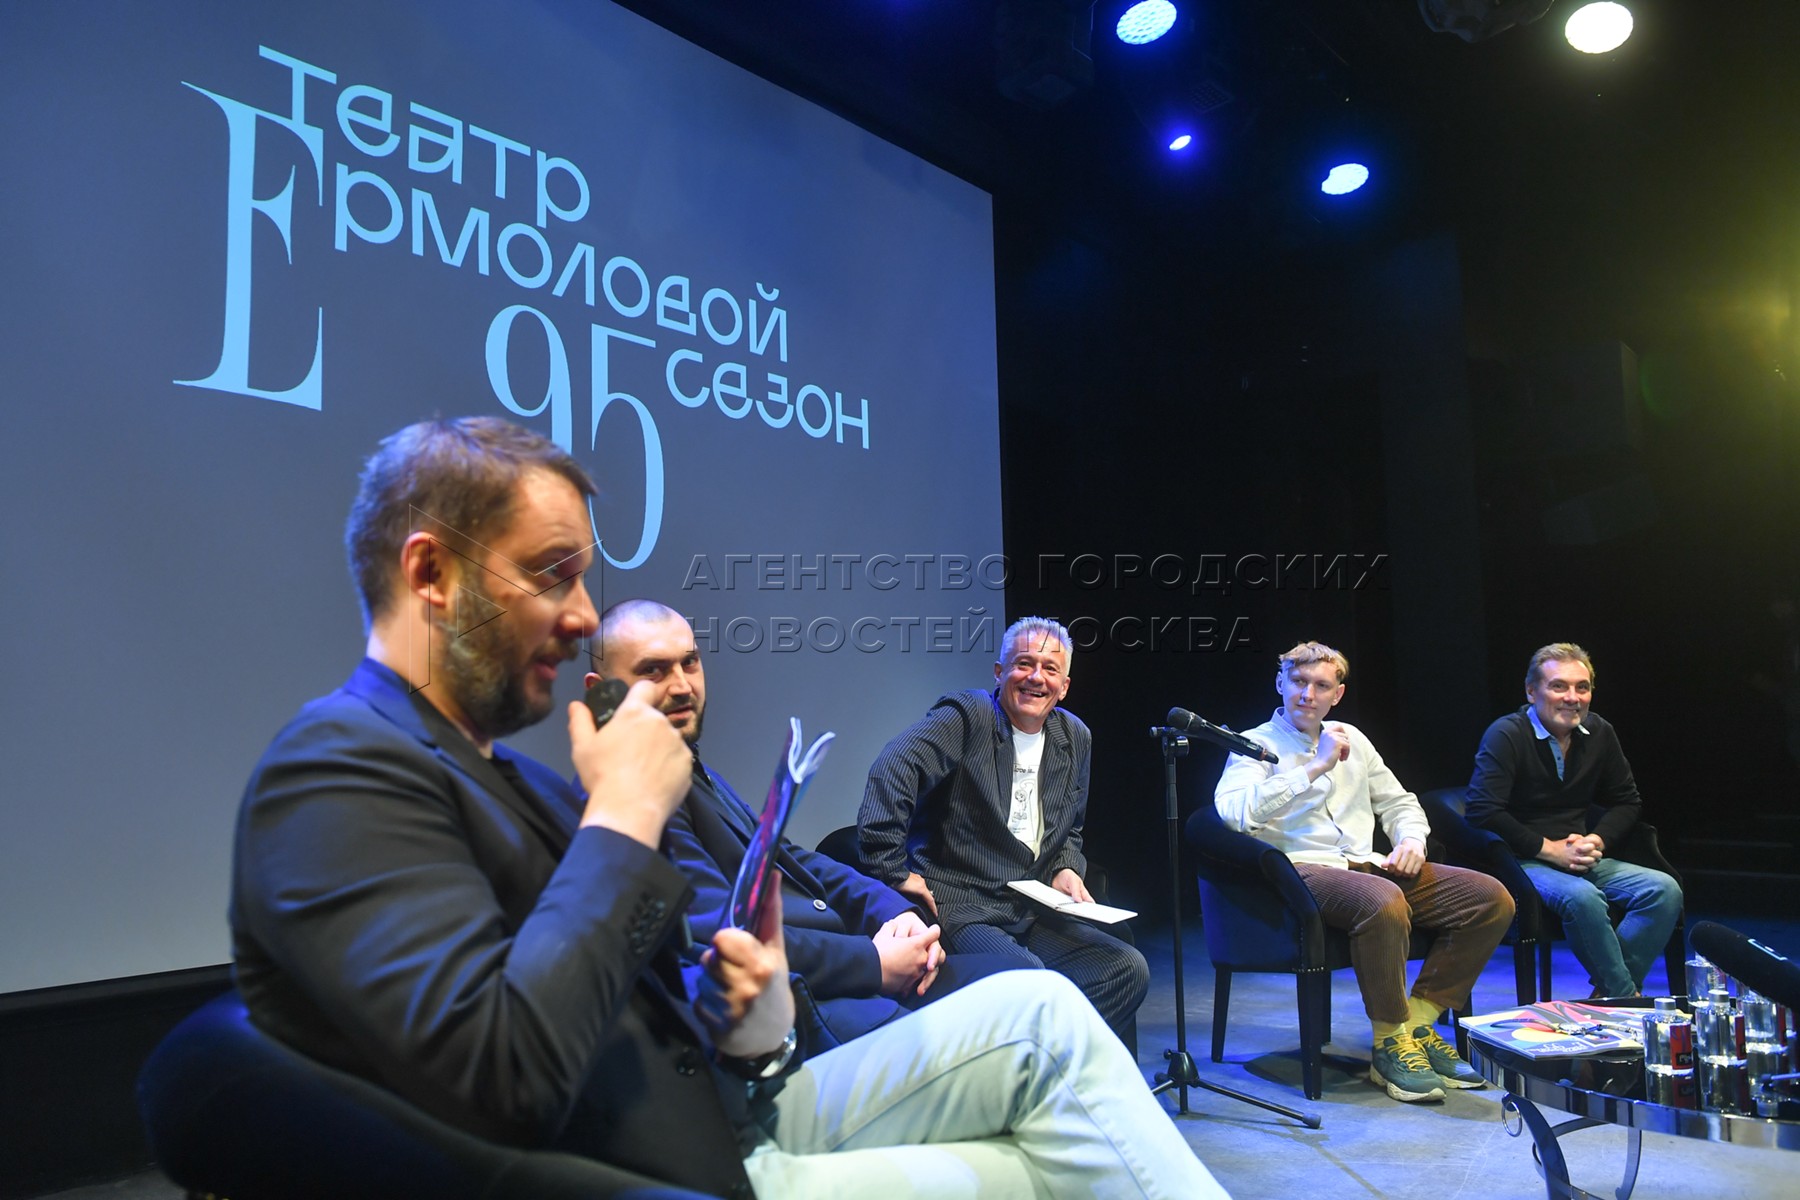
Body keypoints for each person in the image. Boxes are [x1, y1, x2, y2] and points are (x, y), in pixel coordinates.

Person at [230, 416, 1228, 1199]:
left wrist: (753, 1014)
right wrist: (625, 817)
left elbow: (654, 983)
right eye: (549, 575)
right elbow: (504, 1079)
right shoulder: (335, 768)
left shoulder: (512, 782)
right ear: (430, 574)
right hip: (687, 1167)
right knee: (1049, 1093)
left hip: (732, 1105)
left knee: (1052, 1067)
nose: (582, 616)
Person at [587, 597, 1014, 1047]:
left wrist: (896, 912)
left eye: (689, 662)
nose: (681, 685)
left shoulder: (684, 768)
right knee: (1025, 1004)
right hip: (809, 1006)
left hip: (843, 973)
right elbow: (724, 936)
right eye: (653, 670)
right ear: (601, 692)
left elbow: (792, 858)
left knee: (1016, 978)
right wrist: (874, 962)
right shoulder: (629, 797)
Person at [1213, 641, 1514, 1103]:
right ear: (1279, 683)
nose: (1307, 694)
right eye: (1298, 682)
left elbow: (1399, 802)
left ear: (1337, 694)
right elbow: (1234, 814)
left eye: (1321, 686)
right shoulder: (1256, 745)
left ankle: (1417, 1025)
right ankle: (1389, 1042)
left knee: (1489, 897)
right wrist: (1315, 767)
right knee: (1381, 899)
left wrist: (1411, 841)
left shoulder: (1353, 737)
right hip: (1298, 873)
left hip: (1365, 865)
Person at [858, 616, 1149, 1046]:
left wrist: (1067, 866)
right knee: (1028, 980)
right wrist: (891, 871)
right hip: (960, 903)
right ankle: (1026, 1071)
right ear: (999, 672)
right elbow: (893, 768)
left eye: (1050, 669)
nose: (1036, 677)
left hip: (1028, 905)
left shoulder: (1075, 737)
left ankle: (1045, 1069)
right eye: (1024, 664)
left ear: (1064, 686)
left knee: (1123, 968)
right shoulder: (969, 715)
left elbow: (1070, 826)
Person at [1466, 642, 1683, 999]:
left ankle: (1609, 997)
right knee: (1583, 898)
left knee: (1663, 889)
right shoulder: (1507, 734)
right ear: (1531, 691)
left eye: (1582, 687)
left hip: (1578, 854)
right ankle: (1625, 999)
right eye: (1559, 686)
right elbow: (1482, 810)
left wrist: (1596, 840)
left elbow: (1627, 801)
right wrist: (1549, 850)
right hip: (1520, 860)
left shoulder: (1599, 732)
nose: (1572, 698)